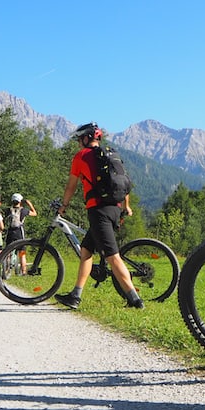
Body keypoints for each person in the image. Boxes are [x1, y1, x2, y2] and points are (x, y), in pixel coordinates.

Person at [54, 122, 143, 310]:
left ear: (86, 138)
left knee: (113, 257)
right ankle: (75, 296)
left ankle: (135, 300)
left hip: (98, 210)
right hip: (114, 208)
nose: (78, 143)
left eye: (79, 139)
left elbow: (71, 186)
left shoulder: (81, 156)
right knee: (86, 250)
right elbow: (124, 184)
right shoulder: (111, 156)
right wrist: (126, 206)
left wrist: (64, 206)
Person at [5, 193, 38, 273]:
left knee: (8, 251)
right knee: (22, 252)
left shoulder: (8, 210)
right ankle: (23, 271)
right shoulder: (24, 210)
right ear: (20, 201)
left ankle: (6, 270)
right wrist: (30, 204)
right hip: (19, 231)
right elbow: (35, 213)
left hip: (10, 231)